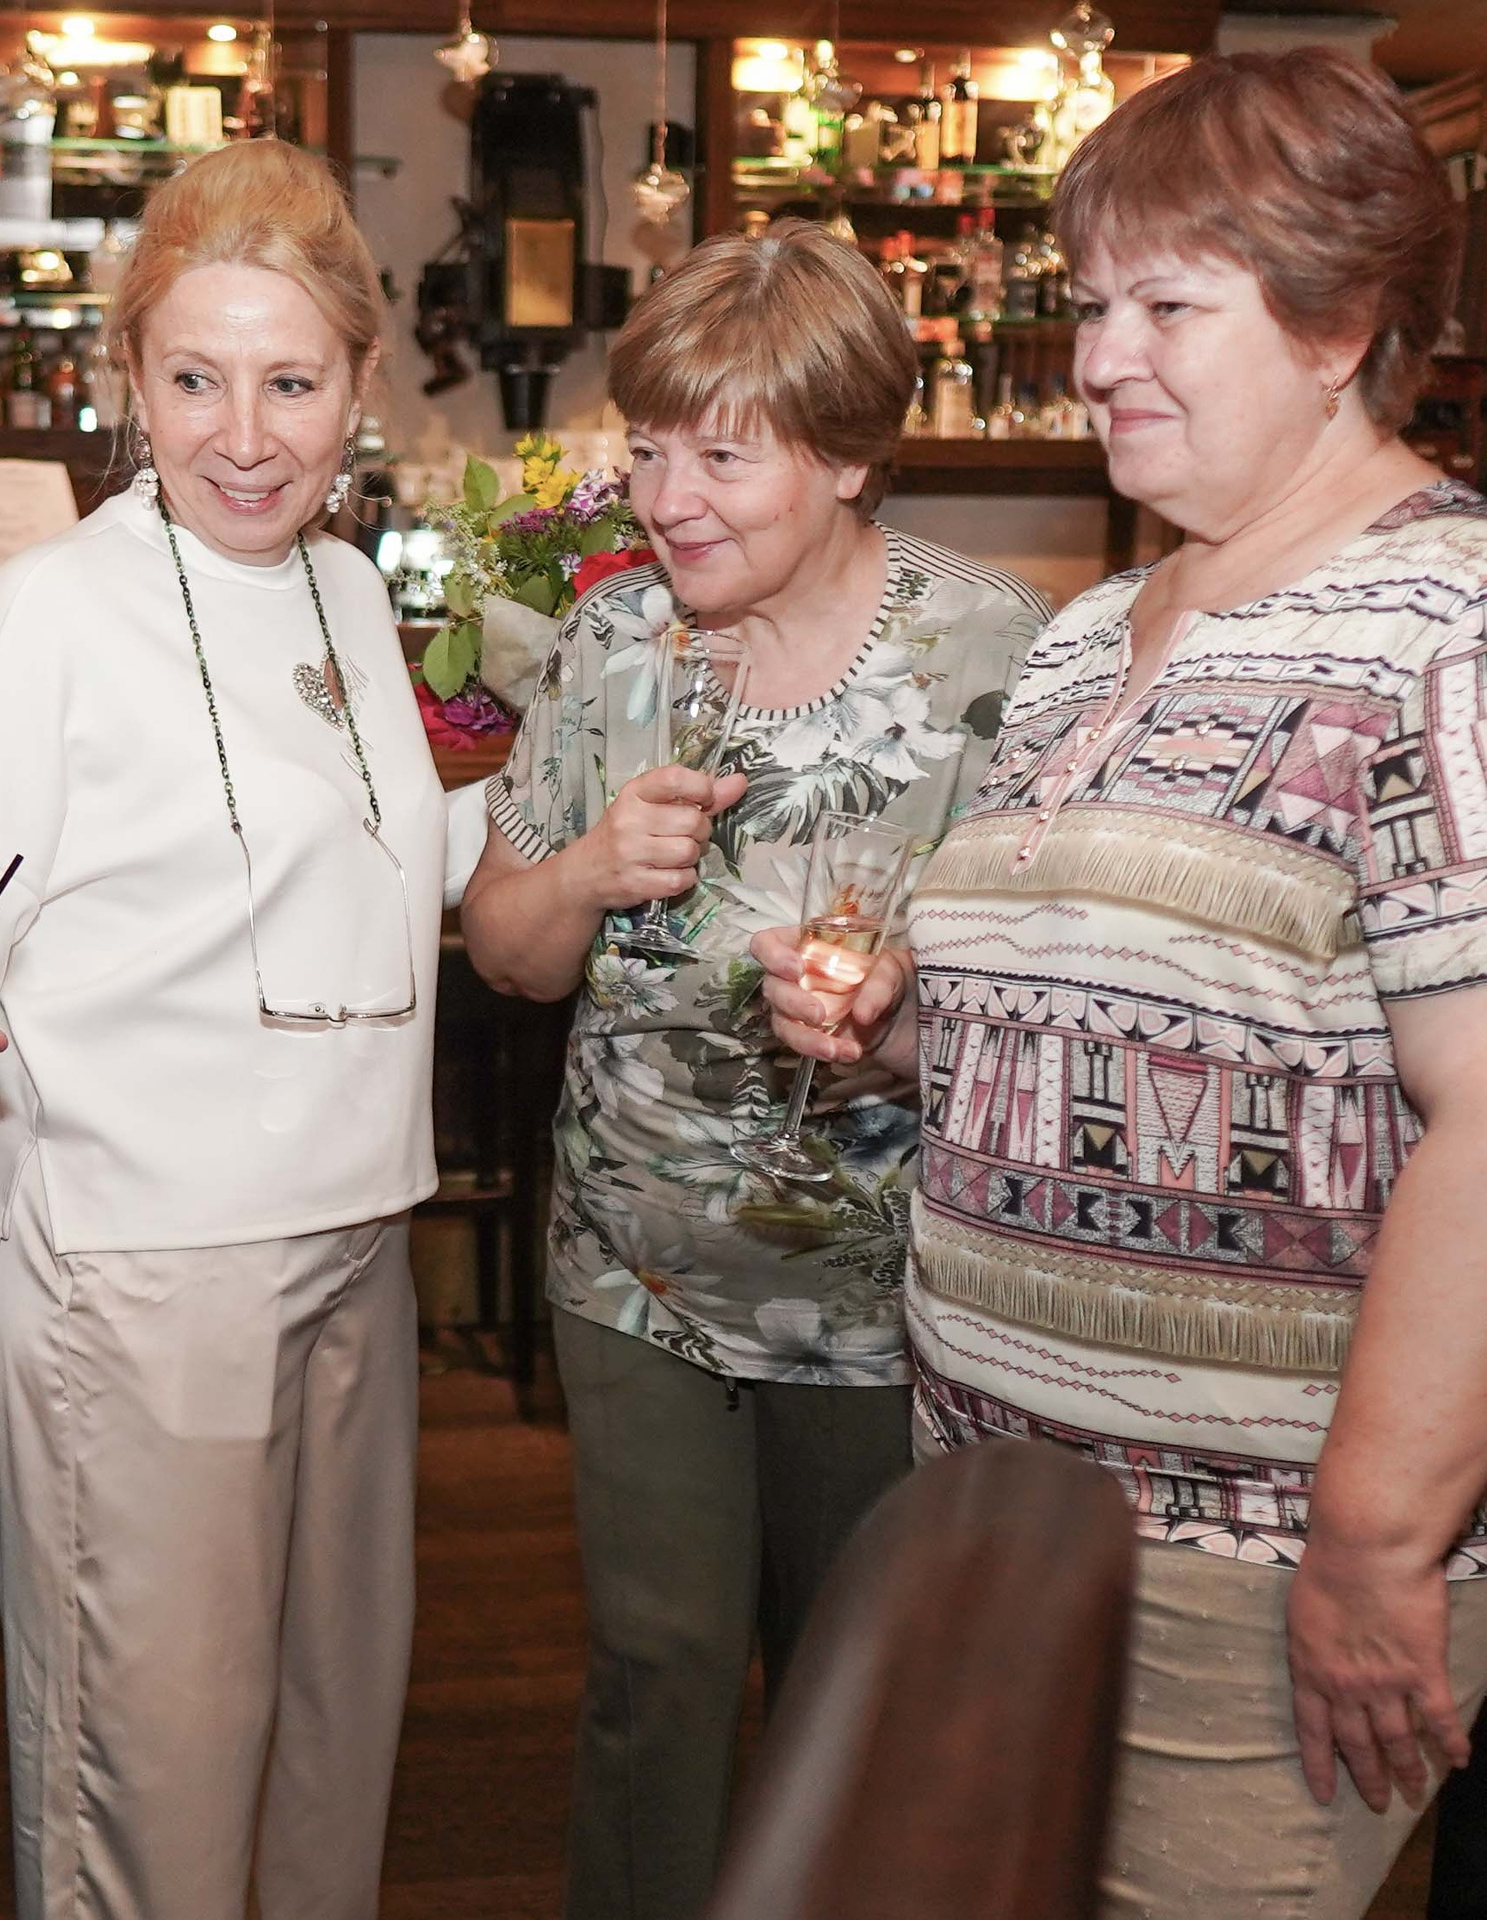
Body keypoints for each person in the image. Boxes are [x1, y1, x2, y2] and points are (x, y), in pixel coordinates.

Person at [751, 53, 1487, 1920]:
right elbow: (1076, 1019)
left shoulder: (1445, 638)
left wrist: (1378, 1539)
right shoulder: (1087, 641)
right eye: (1092, 304)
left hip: (1249, 1552)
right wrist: (896, 1026)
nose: (1099, 356)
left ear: (1337, 326)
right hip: (992, 1500)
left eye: (1170, 304)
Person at [0, 139, 459, 1920]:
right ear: (131, 384)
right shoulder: (49, 618)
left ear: (357, 390)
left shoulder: (341, 592)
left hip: (352, 1239)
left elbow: (350, 856)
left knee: (333, 1762)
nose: (242, 433)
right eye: (194, 378)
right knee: (149, 1802)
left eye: (289, 382)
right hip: (139, 1268)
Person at [459, 220, 1050, 1920]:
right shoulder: (612, 646)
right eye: (648, 448)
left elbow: (1066, 998)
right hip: (635, 1263)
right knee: (655, 1670)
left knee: (848, 1689)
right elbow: (506, 951)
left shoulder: (999, 660)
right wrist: (583, 871)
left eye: (723, 454)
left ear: (853, 453)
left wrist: (903, 1013)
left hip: (886, 1277)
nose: (666, 496)